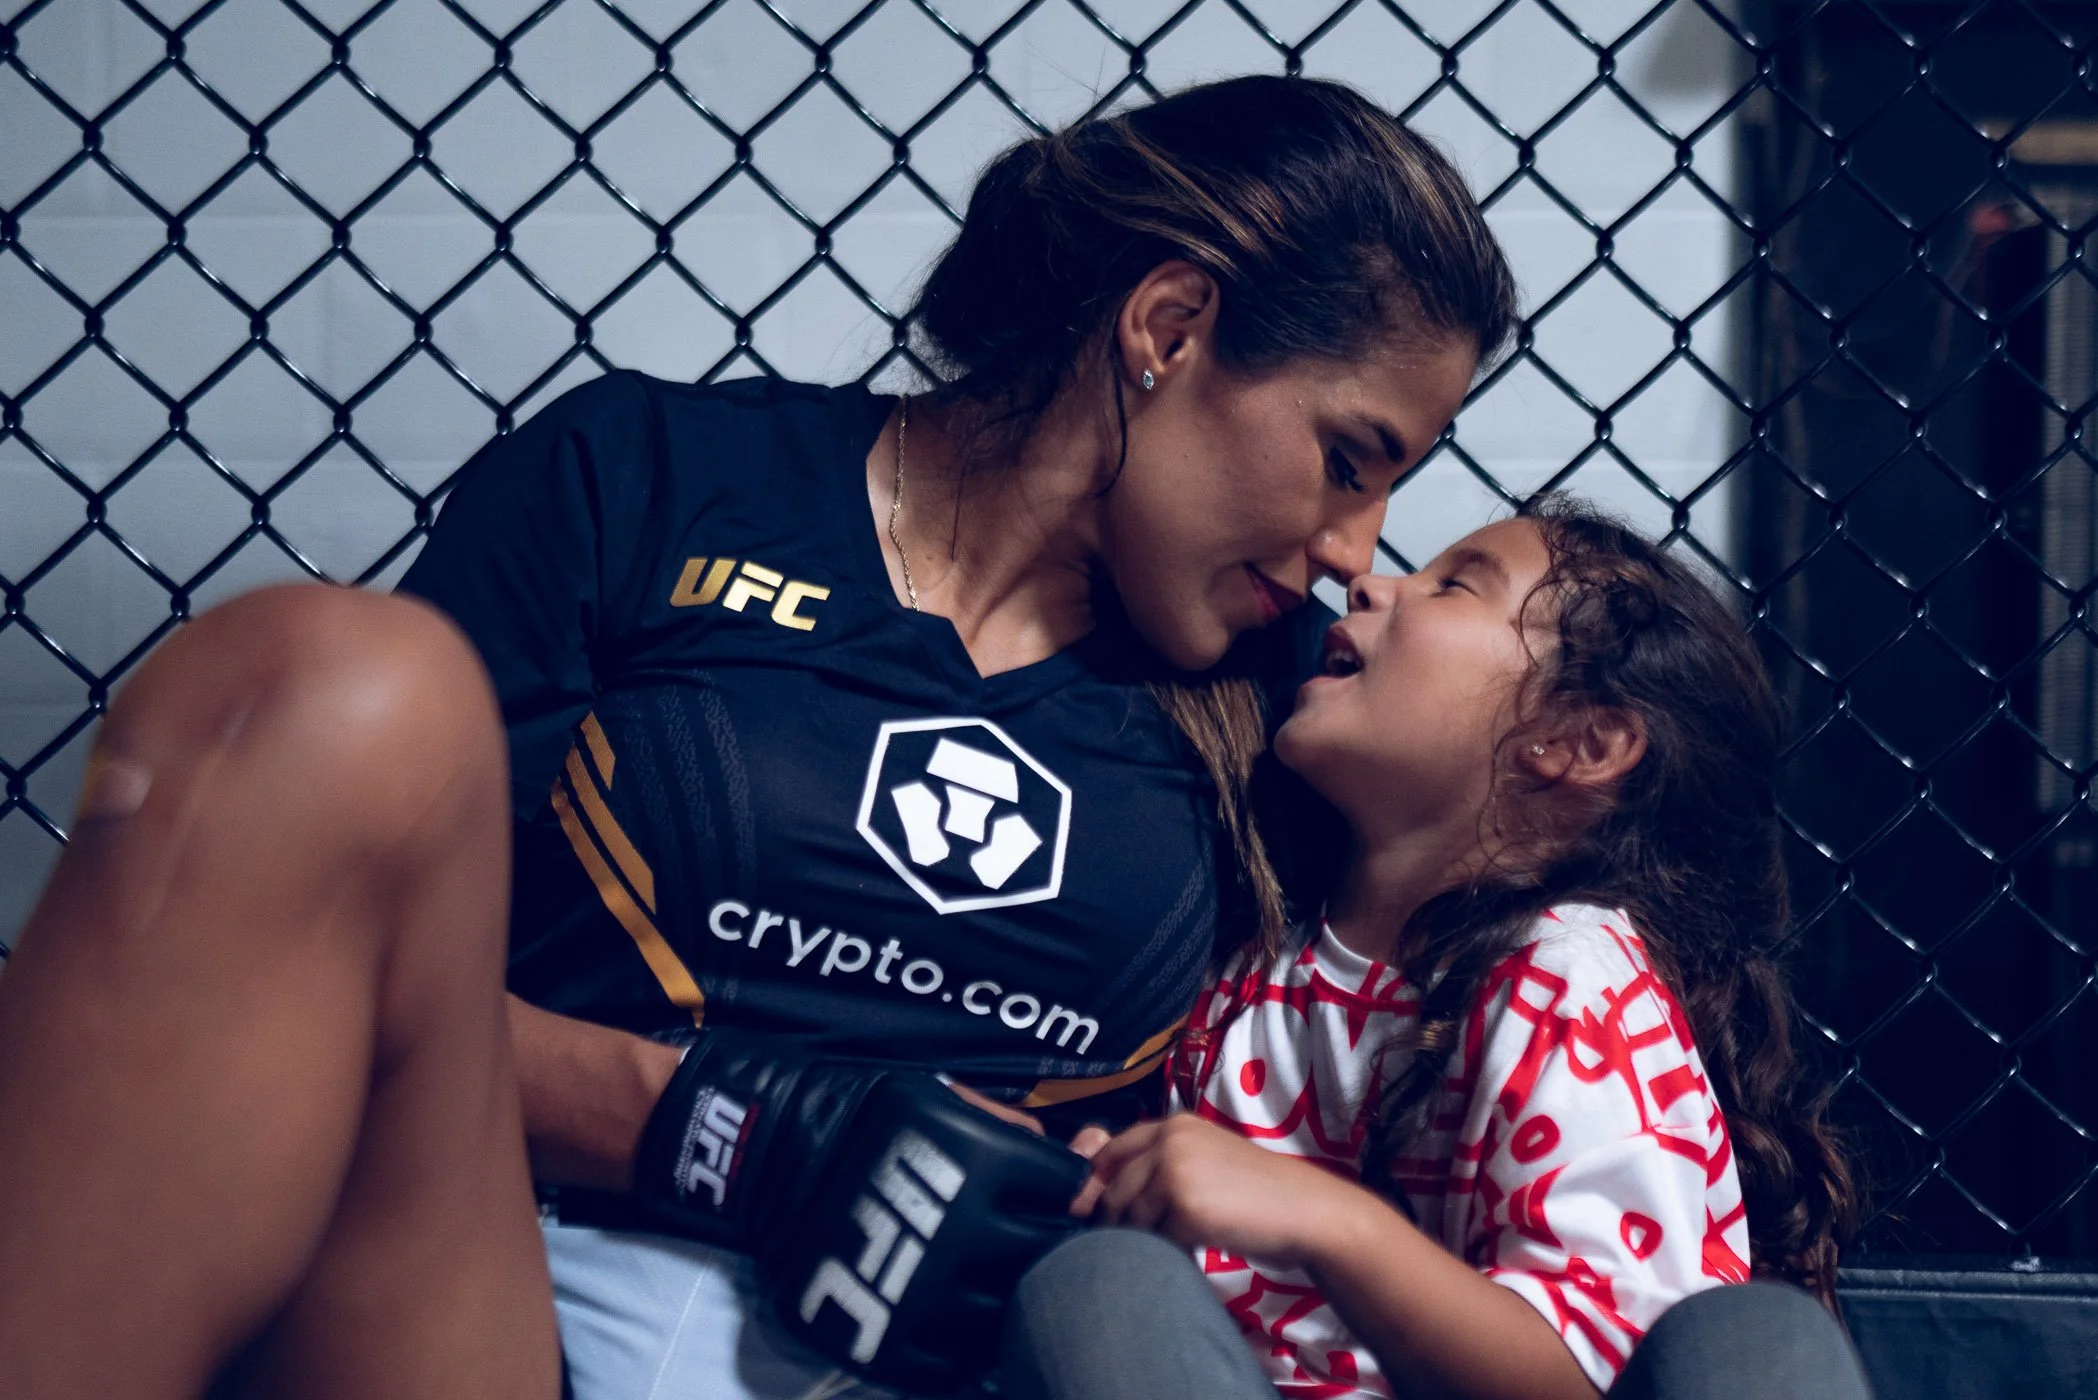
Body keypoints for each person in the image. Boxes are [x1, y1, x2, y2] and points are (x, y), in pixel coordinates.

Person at [0, 76, 1515, 1399]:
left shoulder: (1300, 711)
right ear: (1170, 327)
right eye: (1345, 459)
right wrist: (736, 1125)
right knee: (322, 675)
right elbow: (338, 1010)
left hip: (952, 1364)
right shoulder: (646, 480)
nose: (1353, 546)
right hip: (481, 1304)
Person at [1001, 501, 1874, 1400]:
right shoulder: (1254, 967)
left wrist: (1329, 1223)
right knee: (1096, 1284)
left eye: (1454, 584)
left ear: (1579, 741)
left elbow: (1588, 1377)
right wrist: (1122, 1183)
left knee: (1758, 1337)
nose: (1369, 580)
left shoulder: (1568, 976)